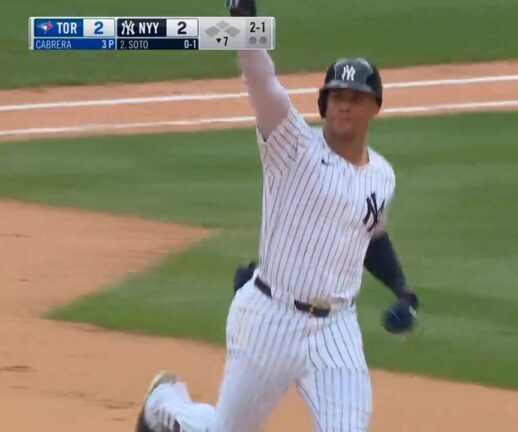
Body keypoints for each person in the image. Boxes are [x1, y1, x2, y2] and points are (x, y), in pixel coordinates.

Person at [135, 0, 419, 430]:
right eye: (336, 96)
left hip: (335, 331)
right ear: (323, 104)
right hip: (269, 319)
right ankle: (165, 403)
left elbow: (371, 236)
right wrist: (245, 27)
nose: (344, 105)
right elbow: (259, 79)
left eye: (355, 97)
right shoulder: (289, 143)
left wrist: (402, 291)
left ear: (374, 106)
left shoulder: (382, 174)